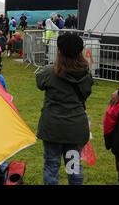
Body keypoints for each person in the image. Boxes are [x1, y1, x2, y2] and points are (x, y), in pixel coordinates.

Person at [36, 33, 93, 185]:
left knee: (51, 166)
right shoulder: (87, 75)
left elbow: (39, 82)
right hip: (75, 129)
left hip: (53, 128)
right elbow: (86, 92)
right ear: (80, 52)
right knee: (73, 168)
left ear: (59, 51)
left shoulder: (49, 72)